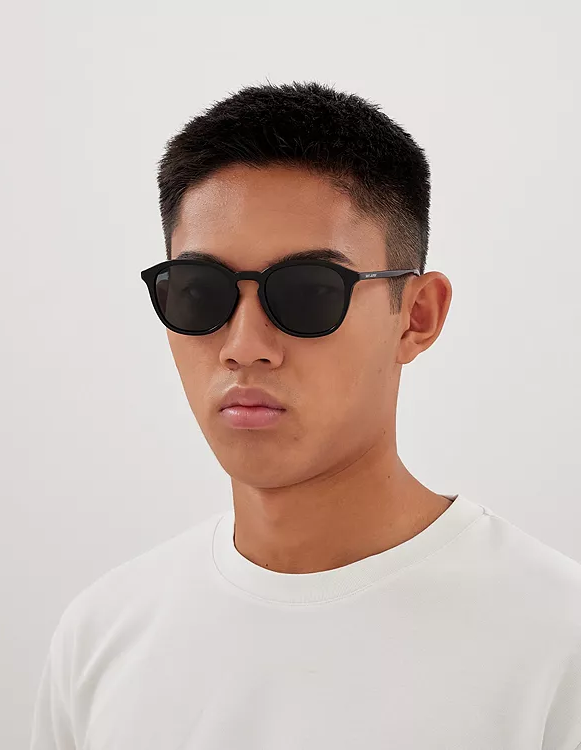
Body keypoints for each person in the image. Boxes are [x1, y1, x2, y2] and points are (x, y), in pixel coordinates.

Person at [30, 80, 581, 749]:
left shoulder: (555, 642)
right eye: (200, 292)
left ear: (417, 316)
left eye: (310, 292)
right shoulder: (100, 640)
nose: (244, 346)